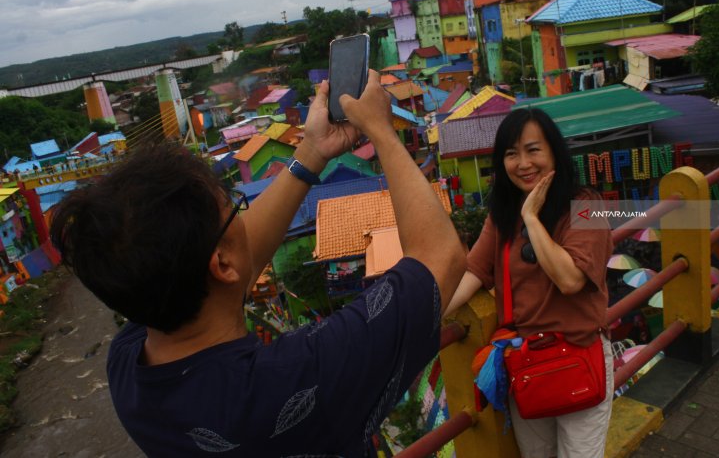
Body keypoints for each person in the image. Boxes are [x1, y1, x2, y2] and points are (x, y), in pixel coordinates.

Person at [50, 70, 466, 457]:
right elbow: (440, 258)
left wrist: (311, 154)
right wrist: (381, 129)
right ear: (221, 264)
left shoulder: (129, 363)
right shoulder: (295, 379)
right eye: (234, 211)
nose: (243, 222)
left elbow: (233, 256)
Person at [444, 108, 614, 458]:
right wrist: (430, 315)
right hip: (527, 362)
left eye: (533, 150)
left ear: (553, 151)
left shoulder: (586, 205)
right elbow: (474, 271)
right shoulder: (502, 214)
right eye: (511, 154)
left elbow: (569, 280)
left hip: (579, 356)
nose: (523, 163)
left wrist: (531, 219)